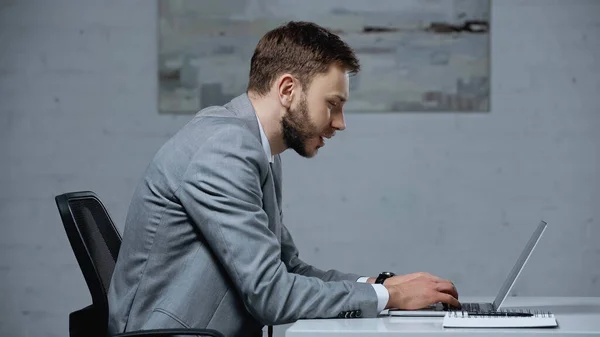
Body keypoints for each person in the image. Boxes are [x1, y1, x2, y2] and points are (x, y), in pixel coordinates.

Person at [107, 21, 460, 337]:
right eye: (332, 104)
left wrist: (378, 285)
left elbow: (288, 268)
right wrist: (391, 296)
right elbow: (270, 295)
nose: (340, 122)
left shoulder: (257, 150)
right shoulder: (222, 150)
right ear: (288, 90)